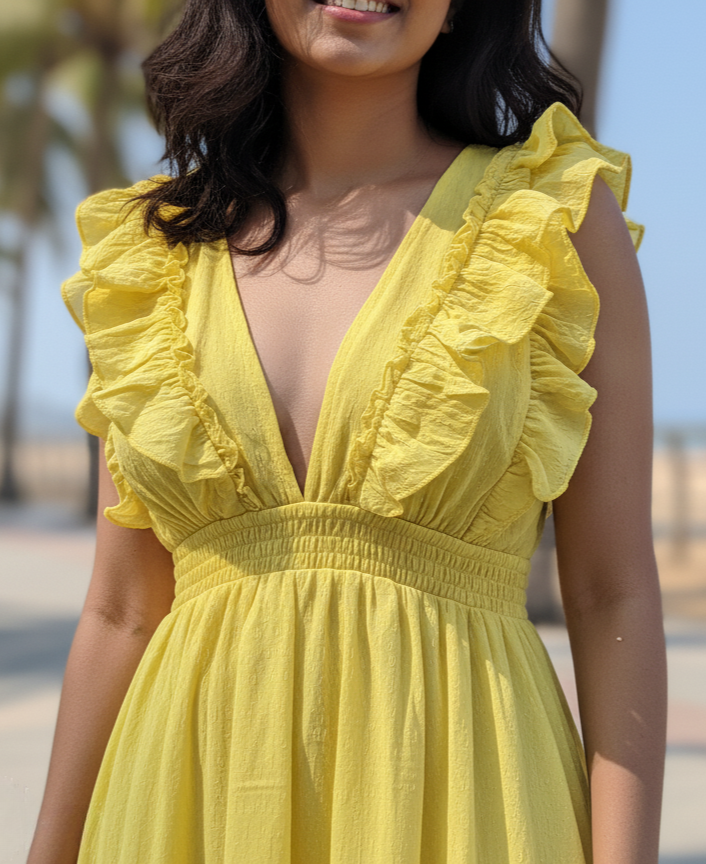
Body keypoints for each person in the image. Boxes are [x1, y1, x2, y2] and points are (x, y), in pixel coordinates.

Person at [28, 0, 667, 860]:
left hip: (465, 795)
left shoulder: (549, 220)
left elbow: (610, 592)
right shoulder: (153, 251)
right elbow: (122, 611)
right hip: (188, 802)